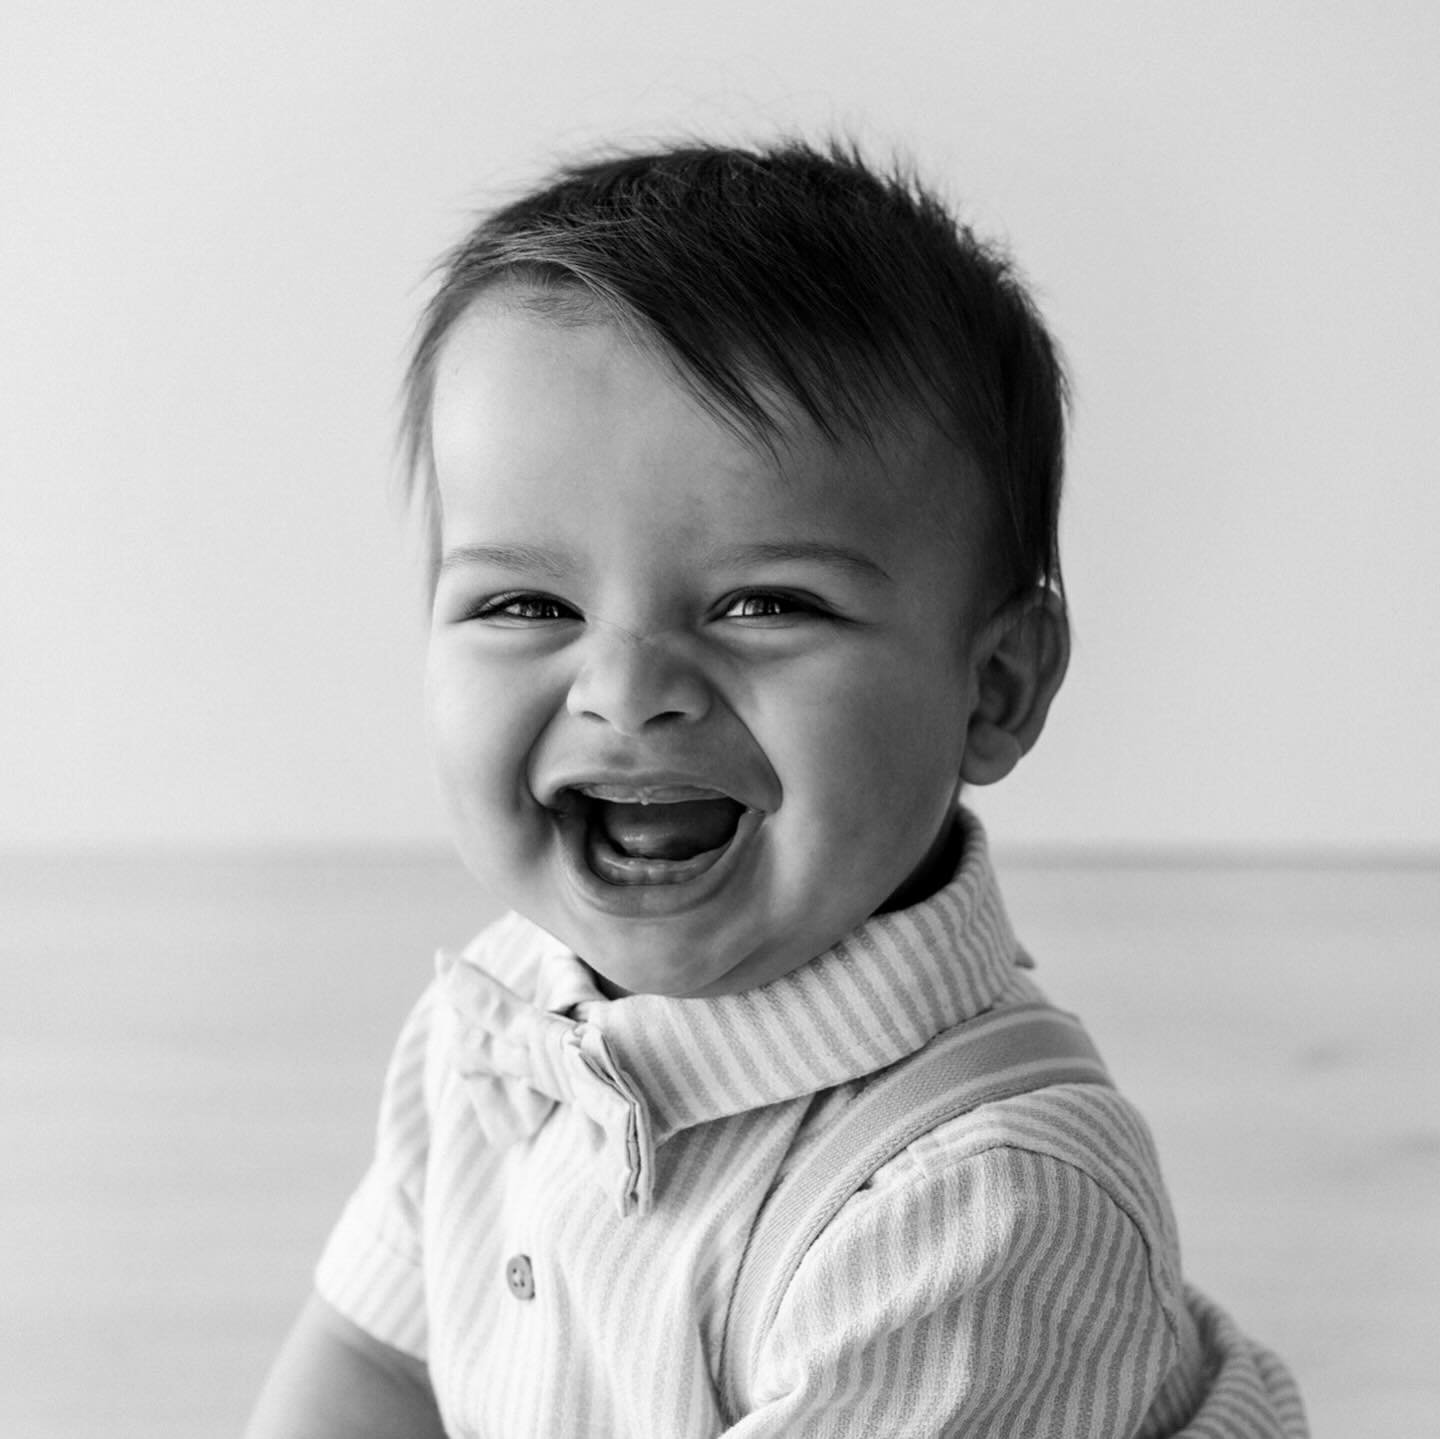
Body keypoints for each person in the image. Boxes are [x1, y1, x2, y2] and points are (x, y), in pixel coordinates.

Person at [244, 139, 1307, 1438]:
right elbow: (375, 1367)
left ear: (995, 689)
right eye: (527, 601)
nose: (629, 688)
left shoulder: (971, 1206)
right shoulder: (504, 1021)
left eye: (766, 604)